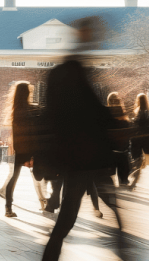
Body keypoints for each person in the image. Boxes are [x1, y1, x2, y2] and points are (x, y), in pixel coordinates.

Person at [41, 19, 127, 261]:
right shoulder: (74, 72)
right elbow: (87, 114)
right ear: (83, 35)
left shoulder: (65, 71)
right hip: (86, 157)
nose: (95, 38)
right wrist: (115, 121)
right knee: (71, 216)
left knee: (70, 217)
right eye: (92, 34)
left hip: (81, 157)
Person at [0, 82, 49, 217]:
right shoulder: (30, 111)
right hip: (30, 150)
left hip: (20, 150)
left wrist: (21, 153)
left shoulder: (17, 111)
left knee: (14, 177)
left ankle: (8, 208)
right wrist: (30, 156)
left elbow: (18, 136)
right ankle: (46, 201)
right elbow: (32, 133)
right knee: (39, 176)